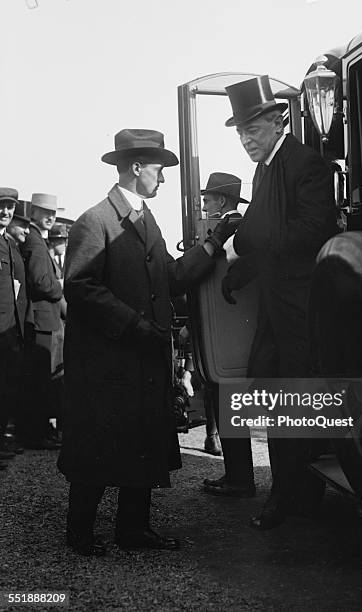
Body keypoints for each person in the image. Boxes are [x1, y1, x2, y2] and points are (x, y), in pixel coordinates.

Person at [57, 128, 239, 557]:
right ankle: (79, 531)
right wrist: (138, 326)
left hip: (140, 357)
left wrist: (214, 242)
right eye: (158, 169)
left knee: (140, 440)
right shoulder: (95, 220)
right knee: (99, 445)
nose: (163, 179)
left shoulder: (145, 219)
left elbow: (171, 276)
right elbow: (80, 287)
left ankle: (133, 529)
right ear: (136, 168)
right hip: (109, 358)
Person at [218, 75, 337, 529]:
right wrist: (243, 270)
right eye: (240, 132)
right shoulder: (266, 166)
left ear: (276, 120)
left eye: (252, 129)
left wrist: (249, 244)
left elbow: (313, 230)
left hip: (303, 309)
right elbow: (269, 236)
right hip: (277, 305)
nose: (246, 139)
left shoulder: (306, 164)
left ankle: (291, 495)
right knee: (272, 390)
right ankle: (294, 492)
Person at [200, 172, 258, 485]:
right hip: (231, 330)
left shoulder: (232, 230)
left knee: (229, 402)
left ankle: (238, 478)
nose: (204, 205)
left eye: (207, 199)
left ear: (221, 201)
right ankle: (237, 475)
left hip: (228, 331)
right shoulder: (236, 226)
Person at [20, 193, 63, 450]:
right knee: (39, 381)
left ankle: (37, 431)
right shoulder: (36, 243)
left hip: (40, 320)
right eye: (45, 212)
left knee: (38, 379)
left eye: (54, 213)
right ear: (33, 212)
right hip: (41, 320)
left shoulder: (34, 239)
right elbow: (40, 282)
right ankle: (36, 434)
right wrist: (60, 288)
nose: (50, 217)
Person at [0, 189, 28, 467]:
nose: (6, 212)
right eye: (2, 206)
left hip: (9, 329)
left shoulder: (7, 243)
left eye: (10, 207)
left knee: (6, 388)